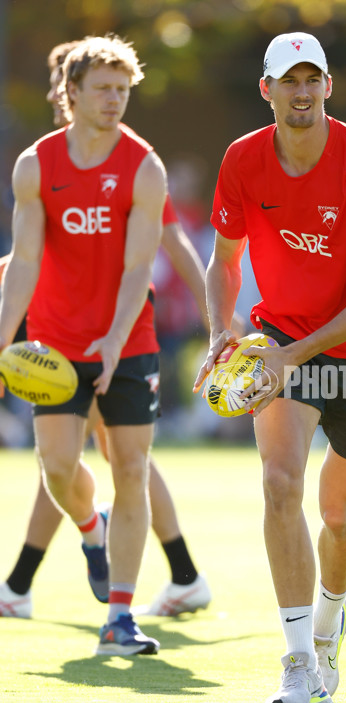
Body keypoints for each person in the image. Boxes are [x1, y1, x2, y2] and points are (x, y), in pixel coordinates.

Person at [194, 32, 346, 703]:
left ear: (327, 85)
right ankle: (296, 660)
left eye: (311, 78)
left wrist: (296, 353)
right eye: (286, 79)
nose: (300, 90)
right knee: (278, 480)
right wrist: (220, 326)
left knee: (340, 513)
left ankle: (327, 626)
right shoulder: (242, 160)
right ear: (266, 89)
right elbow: (225, 260)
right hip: (283, 338)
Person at [0, 40, 213, 621]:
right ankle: (147, 561)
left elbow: (159, 254)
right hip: (55, 341)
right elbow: (24, 259)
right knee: (66, 465)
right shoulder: (38, 164)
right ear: (71, 92)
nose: (116, 100)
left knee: (129, 464)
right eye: (104, 88)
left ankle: (57, 591)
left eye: (123, 89)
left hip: (121, 340)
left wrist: (213, 315)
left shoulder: (141, 166)